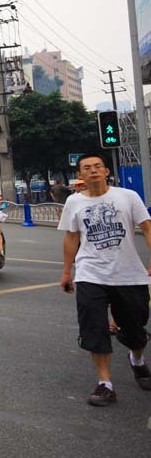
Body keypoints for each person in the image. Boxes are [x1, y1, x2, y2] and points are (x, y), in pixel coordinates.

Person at [58, 153, 151, 406]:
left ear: (106, 171)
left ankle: (137, 360)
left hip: (129, 273)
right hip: (90, 273)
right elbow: (71, 238)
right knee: (94, 328)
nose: (93, 171)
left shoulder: (127, 196)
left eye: (98, 166)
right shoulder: (74, 202)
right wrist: (68, 272)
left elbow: (147, 227)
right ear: (80, 175)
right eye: (87, 168)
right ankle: (105, 384)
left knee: (135, 328)